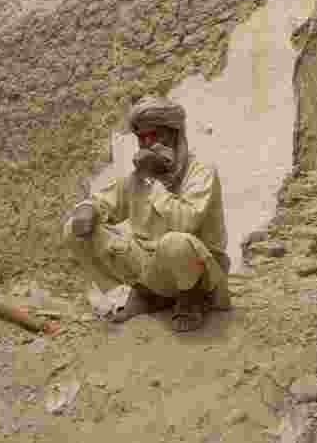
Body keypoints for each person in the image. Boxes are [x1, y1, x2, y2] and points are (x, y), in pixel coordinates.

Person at [62, 96, 231, 332]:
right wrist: (87, 210)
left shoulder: (200, 171)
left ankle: (191, 299)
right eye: (142, 138)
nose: (148, 144)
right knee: (74, 230)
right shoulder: (137, 177)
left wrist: (153, 181)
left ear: (174, 135)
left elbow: (186, 222)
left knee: (175, 243)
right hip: (153, 271)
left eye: (155, 136)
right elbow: (103, 201)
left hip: (201, 273)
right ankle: (146, 295)